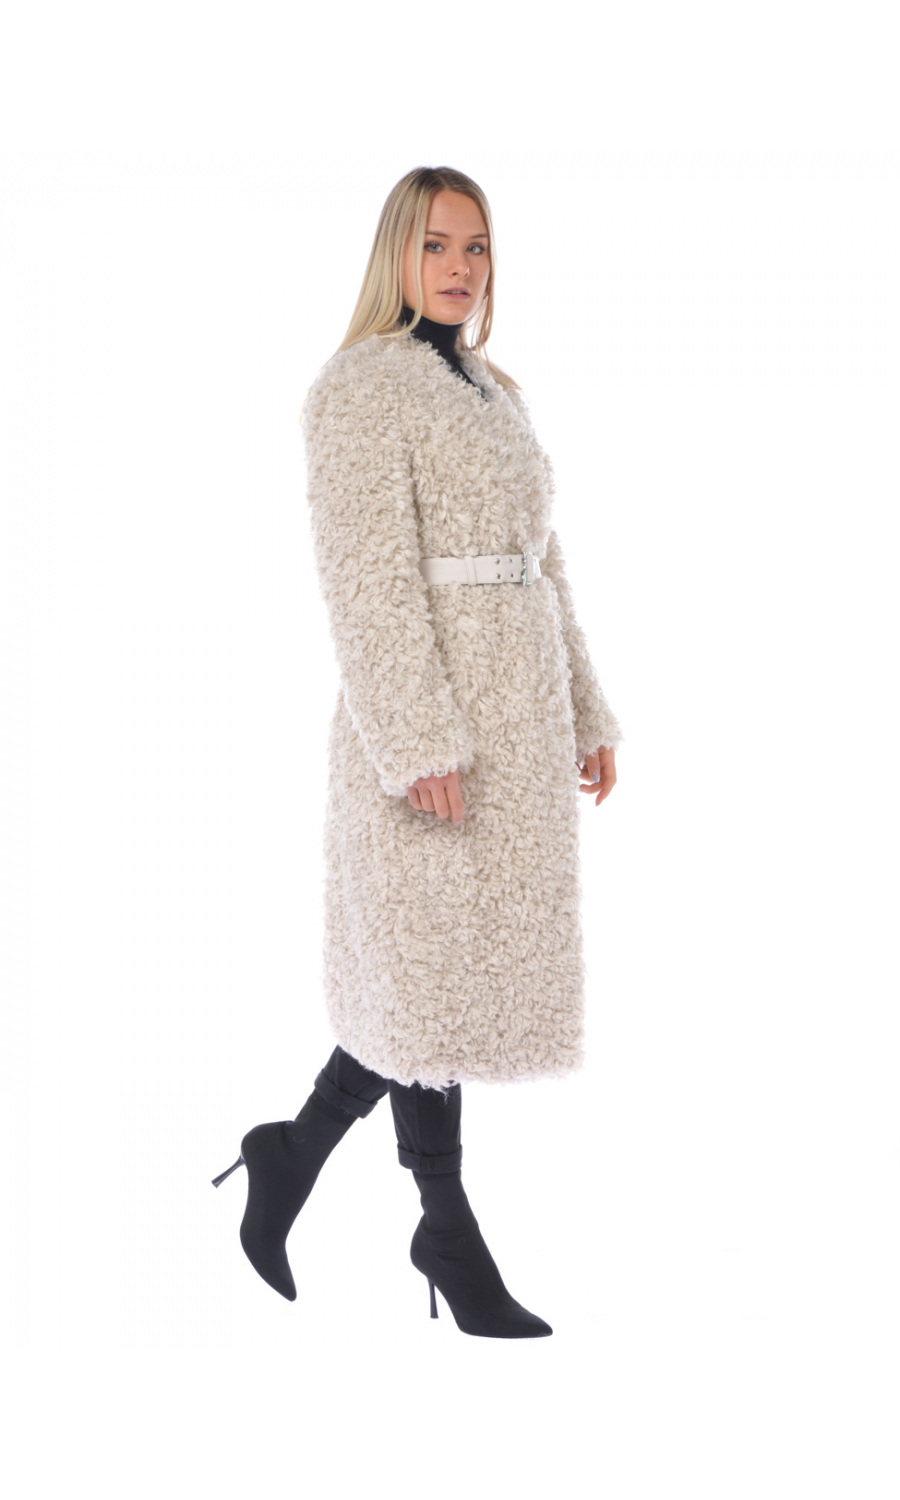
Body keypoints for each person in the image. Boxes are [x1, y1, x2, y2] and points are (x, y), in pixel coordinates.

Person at [212, 166, 624, 1339]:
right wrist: (416, 738)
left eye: (476, 246)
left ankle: (293, 1155)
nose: (459, 267)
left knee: (433, 990)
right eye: (437, 243)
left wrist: (585, 711)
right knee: (428, 984)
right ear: (397, 252)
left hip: (515, 725)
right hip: (427, 731)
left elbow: (544, 562)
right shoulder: (358, 389)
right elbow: (366, 580)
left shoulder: (498, 391)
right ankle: (445, 1229)